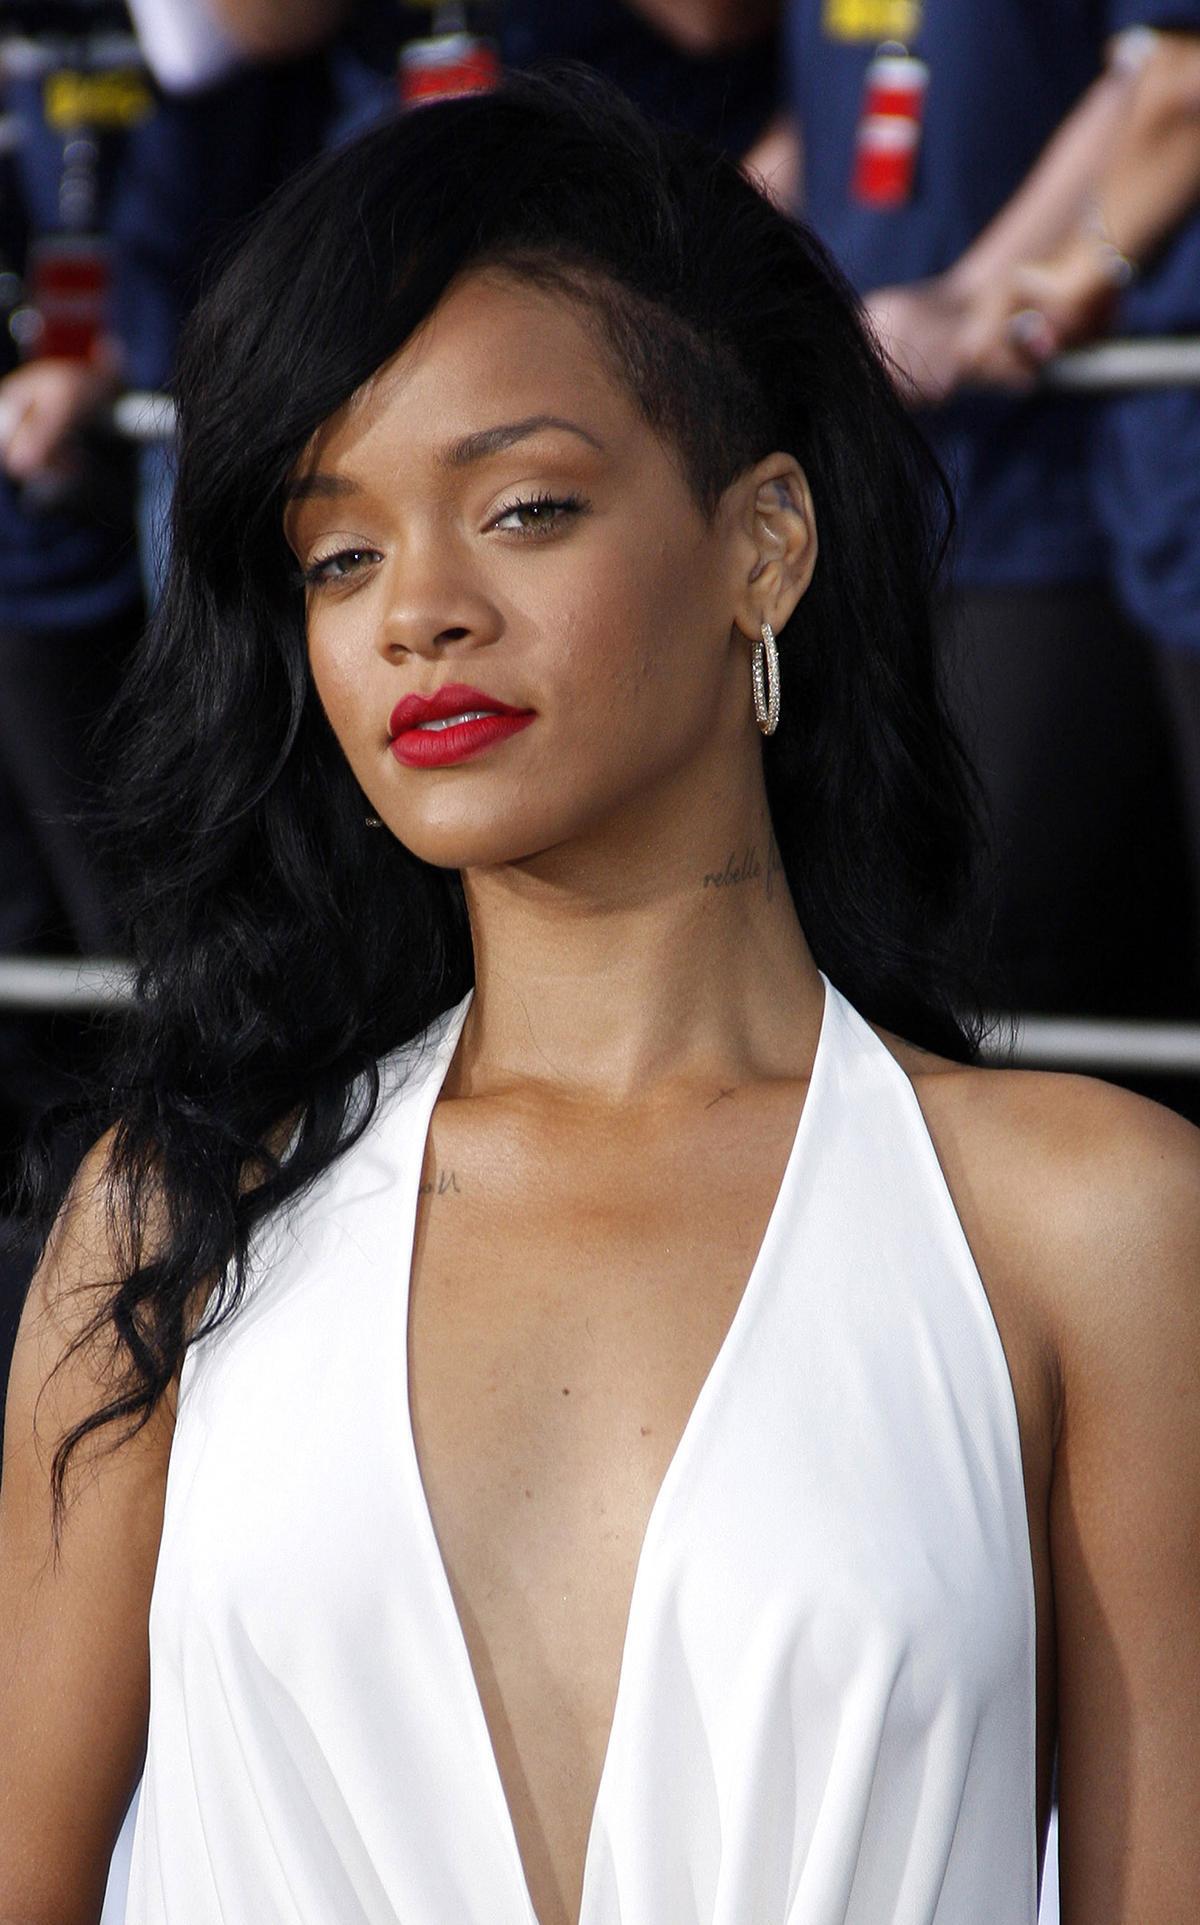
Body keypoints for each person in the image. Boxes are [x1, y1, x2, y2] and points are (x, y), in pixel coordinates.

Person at [1, 71, 1198, 1925]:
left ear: (763, 546)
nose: (419, 611)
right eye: (339, 554)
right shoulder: (171, 1228)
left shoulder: (1085, 1230)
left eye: (528, 507)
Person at [780, 4, 1200, 1019]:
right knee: (882, 933)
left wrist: (997, 291)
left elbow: (1164, 82)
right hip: (878, 491)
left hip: (1041, 490)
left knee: (1004, 947)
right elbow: (807, 123)